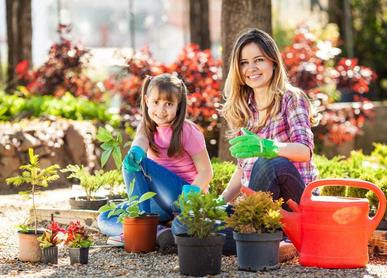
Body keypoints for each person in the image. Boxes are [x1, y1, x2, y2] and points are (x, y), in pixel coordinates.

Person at [98, 73, 213, 251]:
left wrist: (193, 192)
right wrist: (136, 150)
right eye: (156, 102)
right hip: (157, 203)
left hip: (183, 198)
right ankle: (158, 232)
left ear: (179, 105)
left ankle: (141, 225)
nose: (161, 110)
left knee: (139, 162)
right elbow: (141, 141)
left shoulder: (188, 131)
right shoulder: (146, 125)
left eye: (169, 104)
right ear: (146, 100)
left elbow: (206, 171)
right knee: (105, 216)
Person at [220, 28, 318, 211]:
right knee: (189, 223)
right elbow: (242, 168)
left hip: (296, 202)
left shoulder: (291, 98)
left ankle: (247, 223)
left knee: (270, 162)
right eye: (244, 62)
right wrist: (219, 202)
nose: (251, 68)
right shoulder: (245, 108)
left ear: (273, 62)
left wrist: (268, 147)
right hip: (262, 202)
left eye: (259, 60)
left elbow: (305, 151)